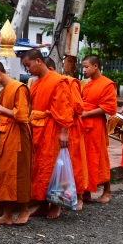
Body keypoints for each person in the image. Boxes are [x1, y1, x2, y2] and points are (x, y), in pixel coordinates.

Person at [21, 49, 75, 220]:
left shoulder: (58, 81)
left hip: (53, 129)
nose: (27, 69)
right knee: (37, 169)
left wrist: (64, 132)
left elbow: (65, 109)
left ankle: (56, 204)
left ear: (38, 61)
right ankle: (43, 204)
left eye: (28, 65)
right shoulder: (35, 83)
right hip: (37, 129)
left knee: (52, 167)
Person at [0, 59, 32, 226]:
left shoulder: (19, 87)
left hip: (19, 136)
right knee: (5, 175)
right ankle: (7, 214)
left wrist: (1, 109)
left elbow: (23, 115)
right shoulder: (3, 91)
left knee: (19, 173)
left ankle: (24, 209)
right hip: (6, 136)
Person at [44, 57, 89, 209]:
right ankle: (56, 198)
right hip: (52, 127)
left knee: (74, 162)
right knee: (54, 164)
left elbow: (77, 107)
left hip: (71, 127)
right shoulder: (43, 82)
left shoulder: (66, 82)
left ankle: (79, 196)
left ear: (50, 70)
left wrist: (65, 128)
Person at [80, 55, 117, 203]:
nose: (84, 69)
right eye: (83, 67)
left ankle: (107, 190)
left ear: (96, 66)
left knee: (99, 157)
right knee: (84, 158)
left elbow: (109, 107)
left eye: (86, 66)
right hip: (83, 125)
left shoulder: (107, 84)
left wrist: (87, 113)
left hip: (96, 125)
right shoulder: (85, 83)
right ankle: (87, 192)